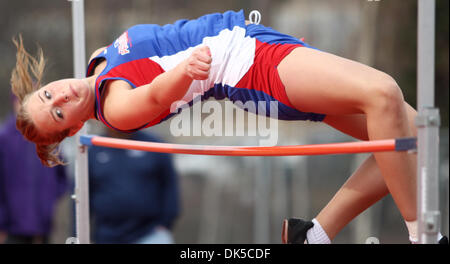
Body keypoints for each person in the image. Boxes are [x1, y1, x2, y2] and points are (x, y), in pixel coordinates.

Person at [9, 10, 447, 244]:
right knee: (384, 94)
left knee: (408, 132)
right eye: (60, 115)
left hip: (250, 42)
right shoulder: (115, 107)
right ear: (70, 132)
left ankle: (312, 235)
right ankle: (422, 236)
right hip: (244, 66)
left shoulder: (97, 63)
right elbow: (157, 96)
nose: (61, 98)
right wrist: (184, 72)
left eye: (49, 95)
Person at [88, 128, 179, 244]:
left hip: (150, 233)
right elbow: (82, 195)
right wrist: (77, 236)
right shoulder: (93, 149)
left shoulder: (155, 145)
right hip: (106, 235)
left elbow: (170, 186)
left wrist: (165, 223)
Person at [0, 95, 68, 244]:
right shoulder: (4, 138)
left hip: (43, 227)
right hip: (12, 230)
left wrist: (49, 197)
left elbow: (62, 174)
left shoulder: (49, 136)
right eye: (21, 100)